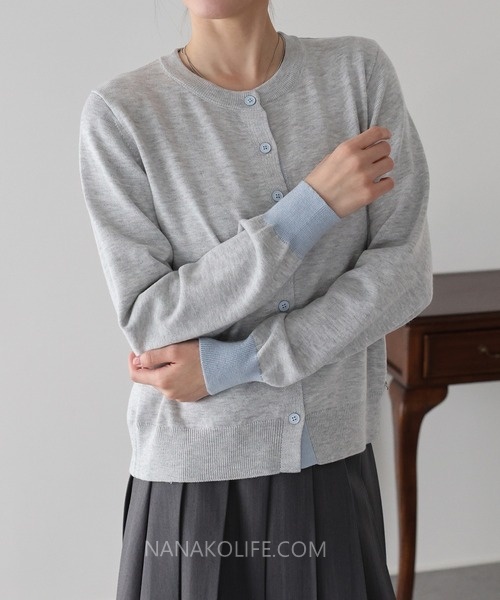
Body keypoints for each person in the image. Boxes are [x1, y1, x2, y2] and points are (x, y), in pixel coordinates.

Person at [78, 0, 432, 597]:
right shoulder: (122, 113)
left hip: (330, 458)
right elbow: (149, 317)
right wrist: (309, 209)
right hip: (192, 476)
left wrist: (237, 363)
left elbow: (405, 271)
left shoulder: (357, 73)